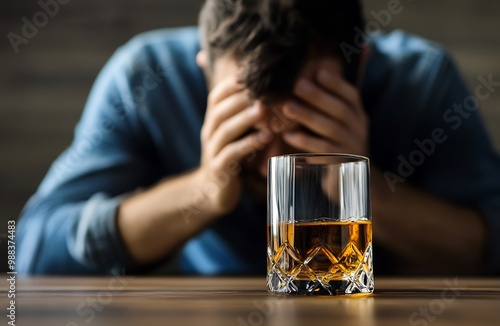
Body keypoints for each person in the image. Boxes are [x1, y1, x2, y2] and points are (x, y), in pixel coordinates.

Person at [17, 0, 500, 276]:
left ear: (363, 67)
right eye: (246, 128)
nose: (273, 167)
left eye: (306, 125)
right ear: (204, 70)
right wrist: (204, 190)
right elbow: (33, 250)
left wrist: (365, 191)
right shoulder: (146, 78)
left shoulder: (423, 81)